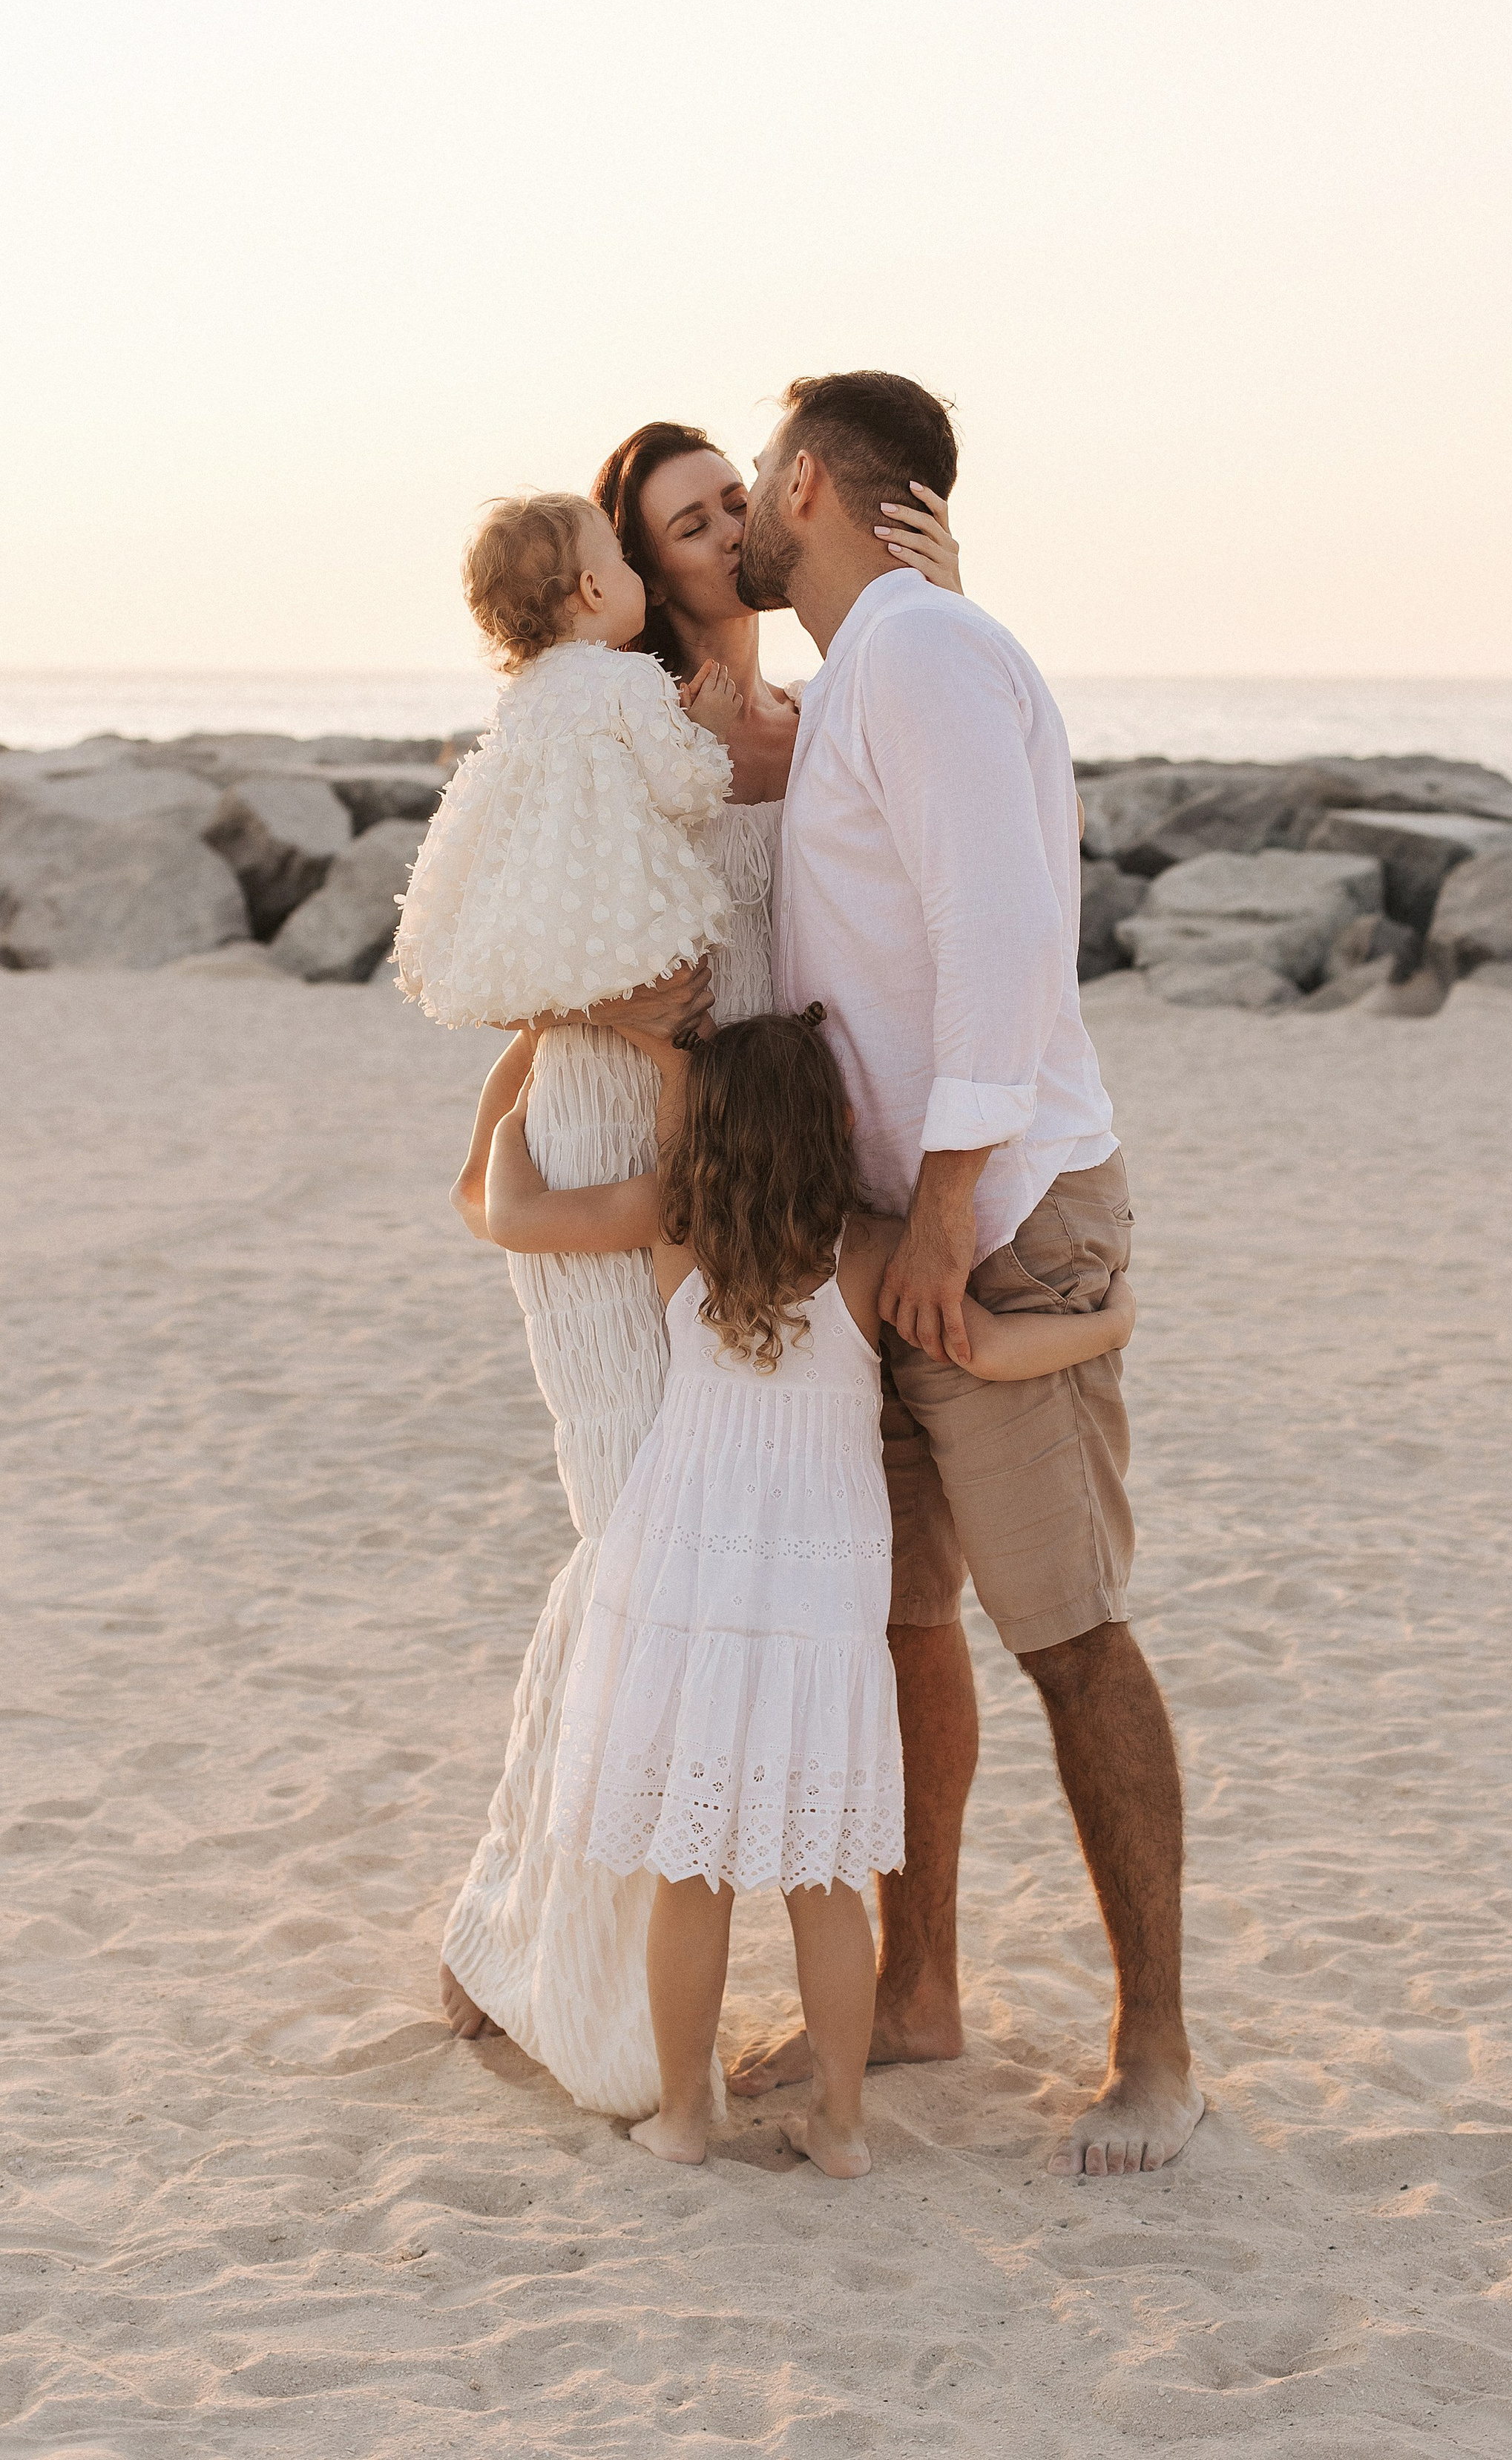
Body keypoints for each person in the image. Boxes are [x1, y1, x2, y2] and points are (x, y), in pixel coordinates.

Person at [427, 439, 962, 2116]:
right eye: (686, 521)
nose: (730, 528)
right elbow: (516, 928)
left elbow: (948, 807)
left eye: (737, 497)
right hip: (624, 1125)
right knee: (628, 1530)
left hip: (753, 1169)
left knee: (684, 1553)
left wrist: (942, 603)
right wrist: (575, 1029)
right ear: (638, 577)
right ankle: (537, 1953)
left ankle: (533, 1938)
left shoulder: (828, 711)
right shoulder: (615, 731)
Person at [729, 371, 1204, 2178]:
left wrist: (937, 1209)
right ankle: (916, 1990)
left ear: (802, 484)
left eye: (756, 491)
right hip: (891, 1234)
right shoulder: (888, 661)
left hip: (992, 1216)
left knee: (1068, 1634)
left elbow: (999, 938)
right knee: (907, 1620)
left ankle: (1154, 2047)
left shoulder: (920, 657)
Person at [483, 1008, 1136, 2176]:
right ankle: (839, 2126)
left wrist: (530, 1055)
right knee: (825, 1868)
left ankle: (686, 2118)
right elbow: (988, 1348)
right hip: (823, 1579)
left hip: (686, 1562)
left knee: (692, 1869)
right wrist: (1111, 1322)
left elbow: (506, 1209)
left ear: (703, 1140)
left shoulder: (677, 1222)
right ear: (841, 1121)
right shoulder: (873, 1250)